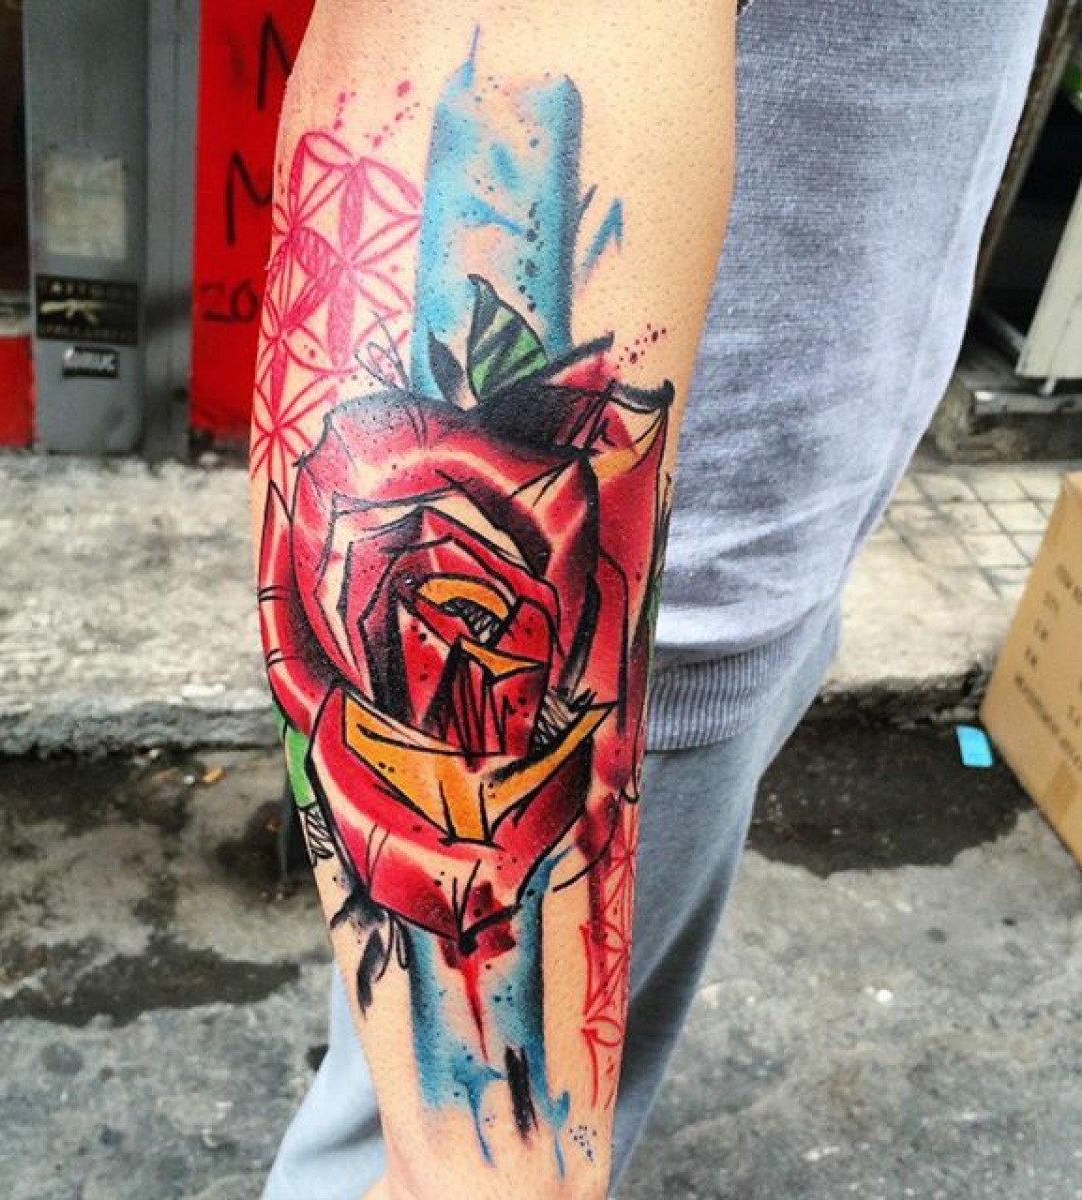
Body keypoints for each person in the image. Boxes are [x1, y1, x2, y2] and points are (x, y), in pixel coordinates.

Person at [249, 3, 1047, 1197]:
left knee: (549, 1114)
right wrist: (483, 1169)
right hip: (641, 654)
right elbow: (471, 43)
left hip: (757, 564)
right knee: (440, 1153)